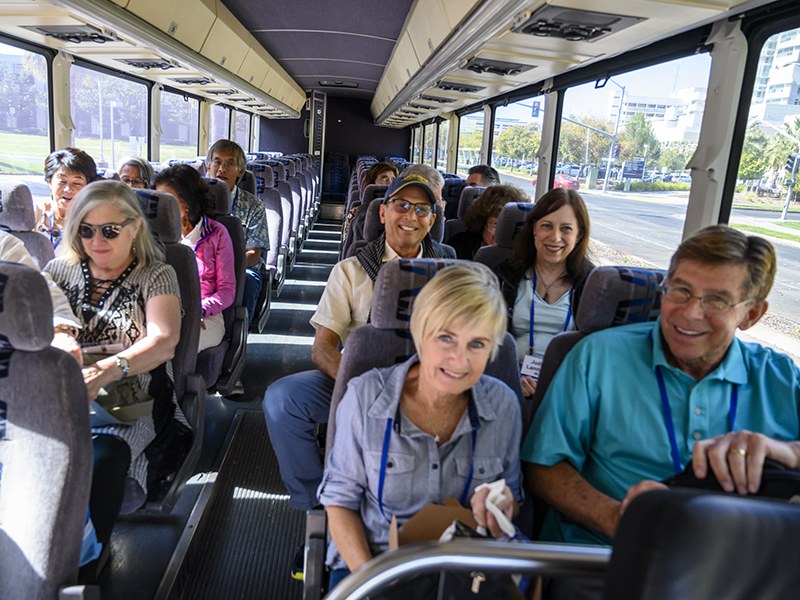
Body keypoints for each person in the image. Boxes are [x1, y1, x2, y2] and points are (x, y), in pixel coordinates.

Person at [523, 225, 800, 599]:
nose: (689, 313)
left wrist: (789, 452)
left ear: (751, 314)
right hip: (607, 558)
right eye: (680, 291)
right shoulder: (598, 356)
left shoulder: (782, 377)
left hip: (741, 567)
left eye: (717, 300)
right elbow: (543, 466)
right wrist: (622, 519)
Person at [319, 263, 522, 587]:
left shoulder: (504, 406)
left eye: (478, 344)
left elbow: (511, 495)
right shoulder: (364, 397)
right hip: (373, 565)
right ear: (421, 332)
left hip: (465, 572)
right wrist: (376, 586)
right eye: (446, 338)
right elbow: (339, 503)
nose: (460, 360)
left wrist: (502, 507)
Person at [263, 173, 453, 512]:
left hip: (430, 385)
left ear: (433, 218)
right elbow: (323, 347)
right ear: (383, 213)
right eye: (402, 206)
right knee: (282, 400)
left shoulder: (451, 273)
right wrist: (362, 386)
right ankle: (316, 502)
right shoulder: (350, 271)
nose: (411, 216)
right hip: (358, 378)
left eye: (422, 209)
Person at [43, 180, 188, 523]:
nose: (96, 242)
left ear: (135, 226)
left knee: (100, 457)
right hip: (63, 390)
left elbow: (164, 340)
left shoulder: (156, 274)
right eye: (86, 230)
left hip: (132, 393)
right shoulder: (56, 272)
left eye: (109, 231)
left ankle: (90, 560)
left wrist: (107, 369)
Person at [494, 188, 593, 398]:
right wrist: (509, 378)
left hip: (568, 388)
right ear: (534, 229)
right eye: (546, 226)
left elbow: (596, 357)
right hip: (509, 382)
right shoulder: (504, 276)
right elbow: (484, 340)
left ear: (579, 235)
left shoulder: (593, 284)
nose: (555, 237)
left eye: (566, 229)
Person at [154, 164, 236, 352]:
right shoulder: (152, 235)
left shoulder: (217, 233)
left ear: (187, 201)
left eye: (168, 200)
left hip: (205, 316)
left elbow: (227, 291)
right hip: (161, 312)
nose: (162, 207)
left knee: (175, 343)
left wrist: (198, 309)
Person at [205, 140, 269, 328]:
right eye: (217, 162)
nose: (222, 169)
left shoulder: (253, 205)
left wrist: (220, 269)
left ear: (240, 172)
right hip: (203, 268)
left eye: (230, 164)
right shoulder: (193, 203)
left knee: (248, 280)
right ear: (208, 166)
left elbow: (253, 254)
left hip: (241, 268)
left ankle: (237, 337)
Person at [37, 147, 98, 251]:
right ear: (50, 183)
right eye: (62, 181)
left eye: (77, 183)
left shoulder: (93, 220)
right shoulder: (35, 214)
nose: (68, 189)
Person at [445, 184, 528, 260]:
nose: (501, 232)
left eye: (508, 225)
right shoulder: (459, 245)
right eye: (495, 224)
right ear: (482, 222)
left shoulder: (525, 253)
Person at [342, 161, 398, 243]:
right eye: (384, 178)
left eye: (393, 179)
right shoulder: (360, 213)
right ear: (372, 183)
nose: (390, 183)